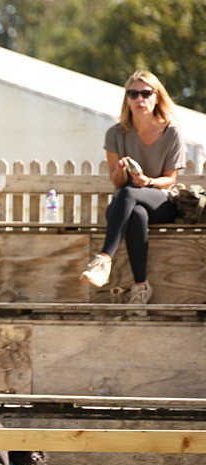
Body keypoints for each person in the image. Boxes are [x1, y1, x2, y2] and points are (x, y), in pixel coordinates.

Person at [81, 70, 186, 304]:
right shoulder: (115, 134)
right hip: (126, 206)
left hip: (161, 201)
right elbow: (117, 183)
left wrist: (147, 181)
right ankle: (141, 287)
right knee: (135, 211)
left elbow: (170, 179)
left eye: (146, 93)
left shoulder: (172, 133)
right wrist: (119, 170)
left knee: (130, 193)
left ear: (157, 96)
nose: (140, 99)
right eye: (133, 94)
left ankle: (104, 259)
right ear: (127, 99)